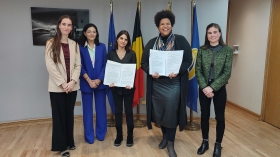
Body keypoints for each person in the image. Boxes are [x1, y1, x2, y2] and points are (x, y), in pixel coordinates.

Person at [141, 10, 192, 157]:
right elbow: (144, 62)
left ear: (172, 25)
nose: (165, 26)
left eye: (167, 24)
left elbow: (188, 60)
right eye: (162, 24)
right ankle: (164, 137)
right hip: (157, 85)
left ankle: (171, 144)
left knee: (170, 113)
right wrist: (150, 71)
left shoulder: (181, 40)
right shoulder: (152, 43)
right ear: (158, 26)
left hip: (174, 84)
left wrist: (178, 71)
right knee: (160, 113)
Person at [45, 15, 81, 157]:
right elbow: (50, 66)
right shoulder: (50, 43)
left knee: (69, 115)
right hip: (57, 87)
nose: (66, 27)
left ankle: (70, 141)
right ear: (59, 25)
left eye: (69, 25)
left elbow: (78, 65)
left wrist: (72, 81)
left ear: (71, 28)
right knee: (59, 116)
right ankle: (62, 147)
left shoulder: (75, 44)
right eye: (64, 24)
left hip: (72, 87)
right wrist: (63, 83)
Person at [195, 23, 233, 157]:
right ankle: (205, 142)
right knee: (204, 116)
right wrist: (205, 87)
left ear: (220, 33)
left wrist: (213, 87)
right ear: (207, 35)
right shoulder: (202, 50)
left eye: (215, 32)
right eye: (209, 33)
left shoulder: (227, 50)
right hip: (204, 87)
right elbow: (198, 70)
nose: (212, 35)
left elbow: (227, 72)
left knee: (220, 117)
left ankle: (218, 144)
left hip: (219, 88)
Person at [78, 23, 107, 144]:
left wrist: (99, 80)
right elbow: (79, 66)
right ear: (84, 33)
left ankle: (101, 134)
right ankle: (89, 136)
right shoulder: (79, 48)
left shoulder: (102, 47)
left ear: (97, 33)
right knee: (87, 112)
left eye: (94, 31)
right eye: (89, 31)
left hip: (100, 83)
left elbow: (105, 65)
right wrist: (89, 81)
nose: (92, 34)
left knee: (101, 111)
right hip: (86, 83)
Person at [107, 30, 136, 147]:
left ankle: (130, 136)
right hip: (115, 89)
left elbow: (133, 71)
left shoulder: (132, 54)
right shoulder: (110, 54)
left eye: (125, 39)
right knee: (118, 112)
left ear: (128, 41)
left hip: (128, 88)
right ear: (117, 39)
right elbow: (108, 70)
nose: (123, 41)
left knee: (129, 112)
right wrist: (109, 82)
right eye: (121, 38)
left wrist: (130, 82)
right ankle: (119, 136)